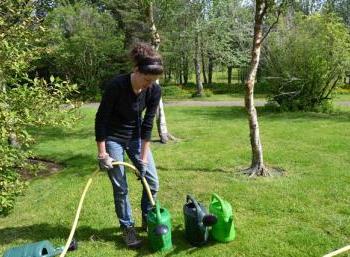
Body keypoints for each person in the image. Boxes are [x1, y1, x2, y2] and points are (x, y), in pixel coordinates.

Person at [95, 42, 163, 248]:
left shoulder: (153, 90)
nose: (149, 85)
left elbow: (148, 124)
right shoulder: (117, 86)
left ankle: (148, 218)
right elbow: (101, 119)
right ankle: (127, 227)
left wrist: (142, 158)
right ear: (136, 70)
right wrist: (102, 154)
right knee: (121, 187)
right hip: (113, 138)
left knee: (152, 182)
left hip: (136, 137)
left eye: (153, 81)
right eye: (146, 79)